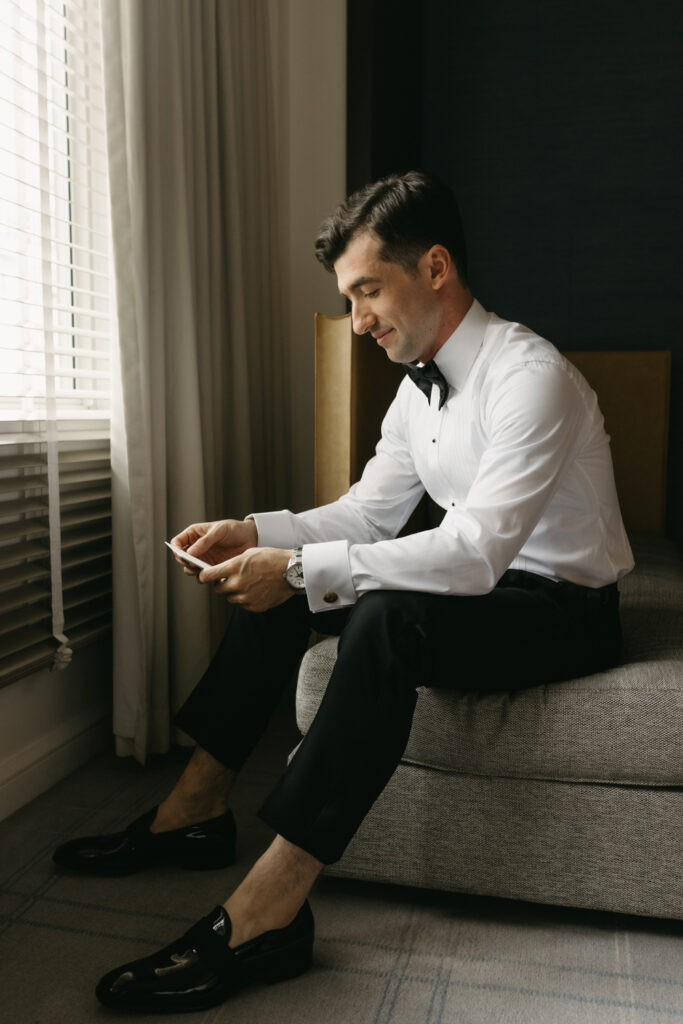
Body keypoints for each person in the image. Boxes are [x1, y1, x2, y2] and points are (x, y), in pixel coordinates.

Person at [53, 171, 634, 1014]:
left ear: (434, 267)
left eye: (367, 290)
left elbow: (474, 553)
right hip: (482, 591)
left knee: (376, 612)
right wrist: (256, 535)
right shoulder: (416, 387)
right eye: (349, 297)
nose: (357, 319)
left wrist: (298, 568)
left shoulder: (529, 375)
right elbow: (367, 515)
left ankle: (270, 908)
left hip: (561, 611)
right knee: (292, 580)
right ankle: (195, 808)